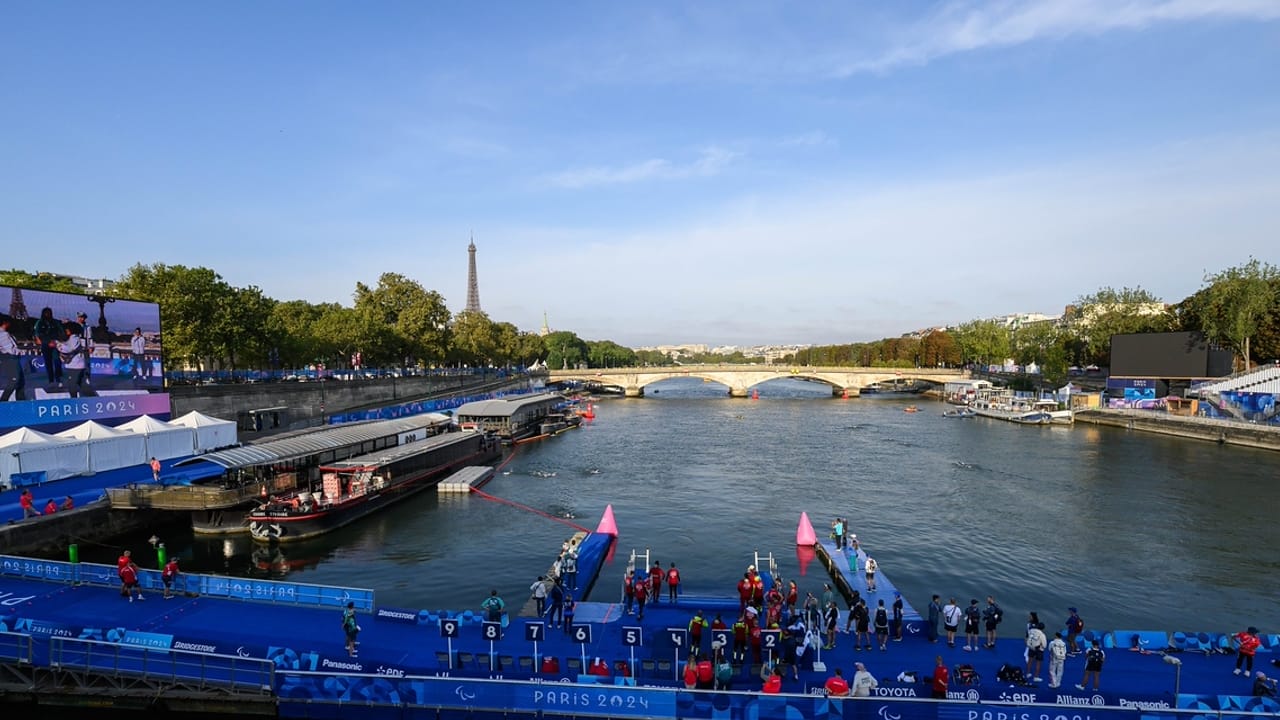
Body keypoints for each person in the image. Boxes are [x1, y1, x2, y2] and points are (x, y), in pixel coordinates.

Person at [54, 325, 89, 397]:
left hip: (75, 366)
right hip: (76, 365)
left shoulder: (74, 338)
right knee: (80, 385)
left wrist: (57, 344)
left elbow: (68, 349)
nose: (66, 331)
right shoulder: (72, 338)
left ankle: (74, 401)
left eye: (67, 330)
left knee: (72, 386)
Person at [0, 317, 27, 402]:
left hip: (11, 358)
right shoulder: (3, 334)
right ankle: (3, 401)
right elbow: (10, 349)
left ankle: (21, 401)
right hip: (10, 358)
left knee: (20, 381)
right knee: (14, 380)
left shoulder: (6, 333)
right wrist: (21, 352)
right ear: (5, 323)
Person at [34, 307, 62, 387]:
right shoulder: (39, 322)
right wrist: (47, 342)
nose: (47, 314)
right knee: (48, 363)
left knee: (57, 361)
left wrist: (56, 341)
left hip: (55, 344)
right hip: (45, 345)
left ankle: (58, 379)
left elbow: (60, 332)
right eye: (46, 313)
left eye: (49, 313)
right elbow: (38, 334)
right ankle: (51, 380)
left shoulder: (55, 322)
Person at [1025, 617, 1047, 682]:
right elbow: (1044, 645)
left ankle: (1028, 673)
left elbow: (1028, 637)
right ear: (1043, 628)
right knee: (1038, 663)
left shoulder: (1031, 631)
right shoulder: (1042, 634)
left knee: (1030, 661)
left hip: (1031, 648)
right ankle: (1036, 677)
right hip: (1038, 650)